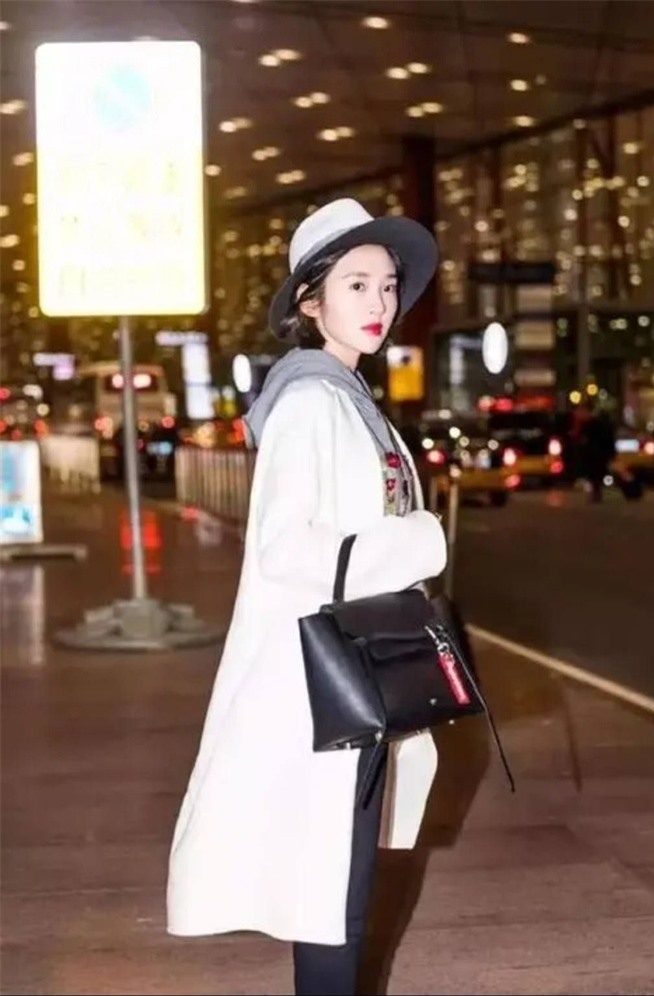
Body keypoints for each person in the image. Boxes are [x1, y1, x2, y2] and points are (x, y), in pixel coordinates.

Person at [166, 197, 447, 995]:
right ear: (310, 301)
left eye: (387, 285)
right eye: (356, 285)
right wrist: (419, 541)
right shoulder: (310, 403)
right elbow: (285, 550)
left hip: (356, 676)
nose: (379, 301)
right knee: (332, 901)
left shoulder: (350, 400)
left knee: (341, 893)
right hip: (324, 686)